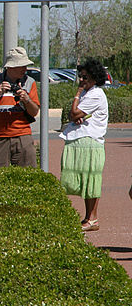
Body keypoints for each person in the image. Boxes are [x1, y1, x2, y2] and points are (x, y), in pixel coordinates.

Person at [59, 58, 109, 231]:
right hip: (81, 141)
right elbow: (75, 114)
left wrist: (77, 94)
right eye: (80, 77)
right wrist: (77, 112)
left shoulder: (95, 94)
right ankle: (88, 217)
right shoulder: (89, 94)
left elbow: (73, 113)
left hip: (90, 142)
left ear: (94, 78)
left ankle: (92, 219)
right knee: (82, 180)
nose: (81, 80)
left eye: (85, 77)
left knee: (91, 181)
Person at [0, 46, 41, 169]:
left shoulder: (30, 82)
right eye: (21, 66)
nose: (25, 69)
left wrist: (27, 100)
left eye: (25, 65)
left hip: (23, 136)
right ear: (10, 67)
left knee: (28, 175)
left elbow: (34, 112)